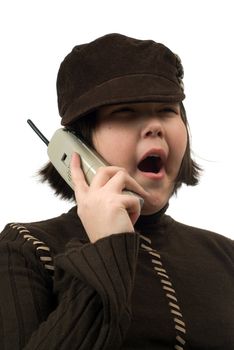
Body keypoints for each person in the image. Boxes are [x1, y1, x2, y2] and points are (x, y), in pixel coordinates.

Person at [0, 33, 233, 350]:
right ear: (78, 144)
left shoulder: (225, 255)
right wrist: (107, 249)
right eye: (124, 111)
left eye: (167, 109)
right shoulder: (27, 248)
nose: (155, 126)